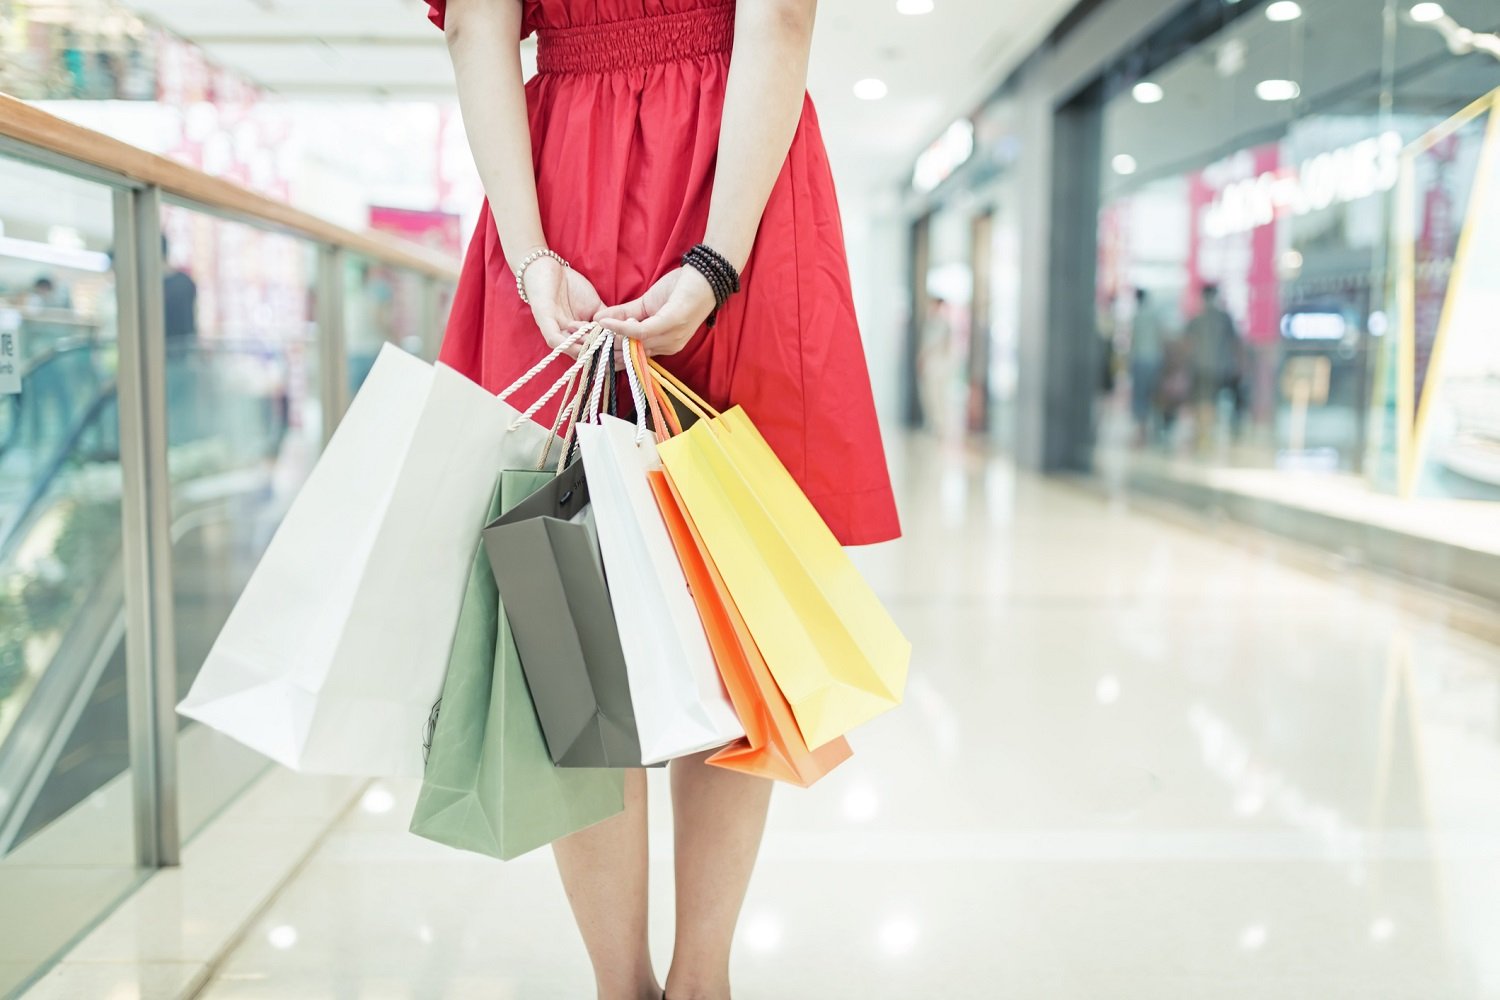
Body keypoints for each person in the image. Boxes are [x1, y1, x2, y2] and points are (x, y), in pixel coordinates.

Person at [429, 3, 900, 999]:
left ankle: (619, 985)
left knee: (566, 607)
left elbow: (478, 30)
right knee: (736, 601)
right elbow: (777, 16)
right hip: (736, 173)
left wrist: (532, 259)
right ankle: (703, 979)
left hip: (555, 184)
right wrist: (717, 260)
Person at [1183, 283, 1242, 449]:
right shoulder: (1224, 318)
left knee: (1201, 400)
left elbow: (1186, 344)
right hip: (1218, 367)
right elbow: (1235, 344)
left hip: (1200, 366)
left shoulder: (1197, 319)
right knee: (1210, 401)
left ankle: (1202, 433)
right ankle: (1205, 434)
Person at [1129, 288, 1166, 443]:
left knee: (1140, 395)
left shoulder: (1137, 316)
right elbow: (1161, 338)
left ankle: (1141, 429)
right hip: (1155, 360)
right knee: (1153, 395)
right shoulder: (1155, 315)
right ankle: (1154, 428)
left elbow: (1133, 342)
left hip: (1140, 360)